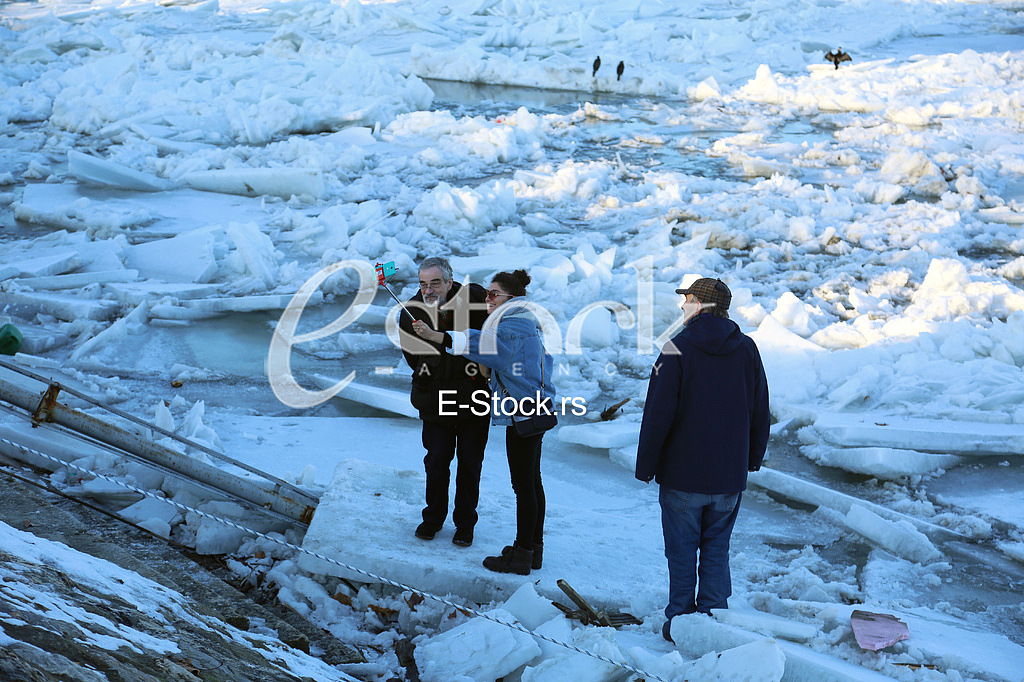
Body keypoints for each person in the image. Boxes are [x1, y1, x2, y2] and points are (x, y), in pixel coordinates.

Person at [634, 277, 770, 642]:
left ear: (699, 304)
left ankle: (679, 620)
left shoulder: (675, 348)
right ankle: (713, 624)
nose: (682, 306)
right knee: (716, 550)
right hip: (728, 476)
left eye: (686, 299)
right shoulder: (747, 349)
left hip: (683, 476)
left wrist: (646, 465)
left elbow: (657, 414)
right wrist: (750, 459)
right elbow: (760, 411)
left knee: (681, 553)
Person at [412, 269, 555, 575]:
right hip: (536, 407)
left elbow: (484, 345)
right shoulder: (524, 321)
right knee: (533, 483)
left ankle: (522, 553)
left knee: (524, 487)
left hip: (524, 414)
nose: (487, 299)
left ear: (510, 299)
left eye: (493, 294)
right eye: (487, 293)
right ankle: (533, 550)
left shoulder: (510, 327)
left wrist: (439, 336)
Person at [398, 256, 490, 548]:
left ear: (450, 281)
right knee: (436, 461)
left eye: (435, 283)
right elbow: (414, 359)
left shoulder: (474, 301)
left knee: (470, 463)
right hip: (435, 399)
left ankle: (465, 523)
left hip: (473, 398)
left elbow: (488, 342)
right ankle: (433, 518)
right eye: (423, 284)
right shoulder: (410, 312)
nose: (429, 290)